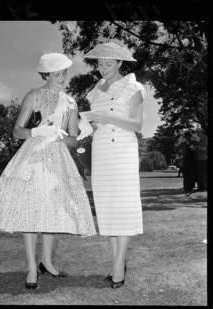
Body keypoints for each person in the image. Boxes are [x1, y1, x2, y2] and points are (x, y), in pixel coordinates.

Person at [0, 53, 96, 289]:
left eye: (64, 73)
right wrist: (37, 131)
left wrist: (75, 135)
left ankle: (47, 263)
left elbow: (73, 140)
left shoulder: (70, 102)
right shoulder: (33, 95)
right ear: (46, 75)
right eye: (56, 74)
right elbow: (17, 131)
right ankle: (32, 267)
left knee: (51, 211)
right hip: (33, 157)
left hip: (58, 158)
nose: (61, 77)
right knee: (30, 213)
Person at [79, 42, 145, 289]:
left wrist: (106, 118)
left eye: (108, 63)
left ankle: (118, 266)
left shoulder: (133, 87)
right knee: (108, 208)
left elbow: (137, 124)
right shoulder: (94, 92)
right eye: (99, 63)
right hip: (102, 152)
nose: (103, 68)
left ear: (120, 63)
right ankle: (118, 261)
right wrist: (88, 126)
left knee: (123, 206)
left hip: (123, 150)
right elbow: (96, 125)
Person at [175, 131, 198, 198]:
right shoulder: (183, 144)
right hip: (185, 160)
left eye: (189, 136)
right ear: (185, 137)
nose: (188, 138)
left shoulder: (194, 143)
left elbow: (196, 150)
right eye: (186, 136)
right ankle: (186, 188)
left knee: (192, 175)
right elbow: (176, 149)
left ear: (190, 137)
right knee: (186, 175)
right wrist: (180, 154)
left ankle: (190, 187)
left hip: (193, 160)